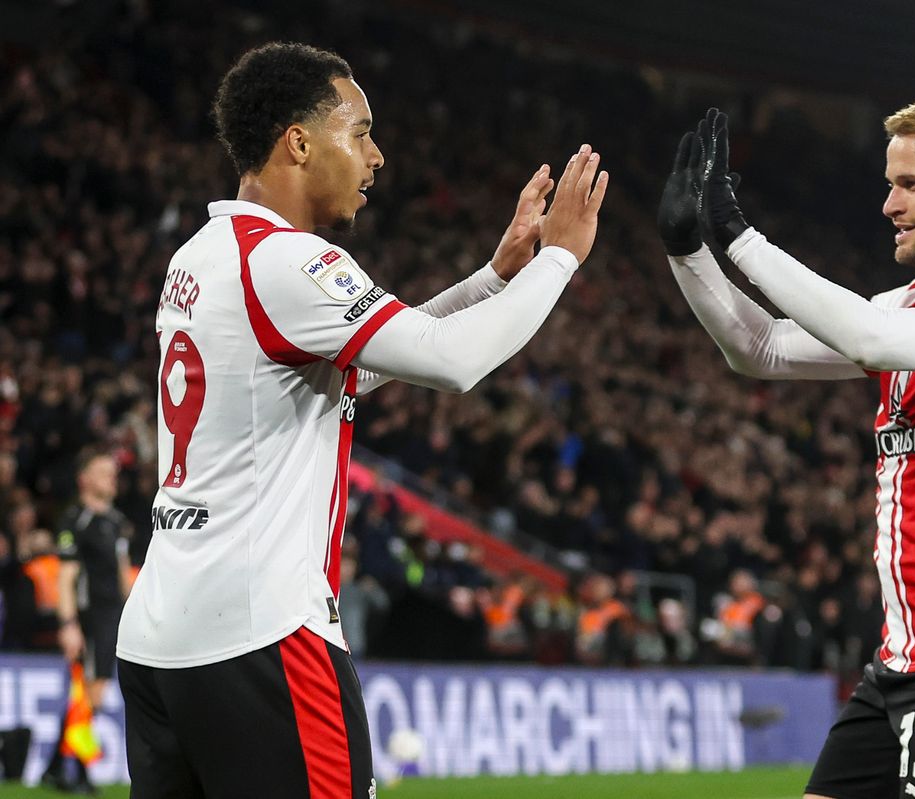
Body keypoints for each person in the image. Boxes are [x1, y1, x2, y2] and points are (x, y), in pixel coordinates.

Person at [116, 42, 607, 798]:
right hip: (263, 637)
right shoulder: (291, 262)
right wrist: (561, 259)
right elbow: (452, 361)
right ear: (300, 142)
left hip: (159, 641)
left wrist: (491, 278)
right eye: (361, 131)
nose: (377, 157)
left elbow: (352, 366)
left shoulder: (204, 253)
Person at [659, 96, 915, 799]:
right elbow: (759, 347)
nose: (889, 204)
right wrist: (689, 249)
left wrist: (743, 238)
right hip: (904, 659)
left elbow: (870, 343)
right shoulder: (907, 304)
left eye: (910, 184)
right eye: (890, 183)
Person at [43, 449, 134, 794]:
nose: (112, 477)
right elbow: (65, 578)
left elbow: (124, 576)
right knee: (91, 693)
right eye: (103, 471)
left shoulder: (116, 521)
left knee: (92, 691)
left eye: (113, 471)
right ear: (85, 479)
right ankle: (76, 770)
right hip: (89, 615)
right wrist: (68, 624)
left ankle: (55, 766)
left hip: (114, 616)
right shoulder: (75, 520)